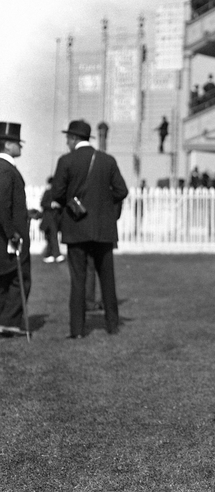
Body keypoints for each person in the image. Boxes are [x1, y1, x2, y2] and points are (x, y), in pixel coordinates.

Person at [51, 120, 128, 338]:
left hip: (76, 227)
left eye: (68, 138)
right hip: (103, 228)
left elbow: (57, 193)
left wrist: (74, 201)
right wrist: (103, 202)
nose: (67, 142)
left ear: (74, 139)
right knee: (107, 277)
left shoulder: (66, 161)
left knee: (78, 280)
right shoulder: (107, 160)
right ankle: (112, 326)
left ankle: (77, 330)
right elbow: (121, 190)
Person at [0, 122, 31, 336]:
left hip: (8, 233)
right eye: (18, 143)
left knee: (6, 277)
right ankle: (8, 321)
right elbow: (2, 205)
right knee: (20, 278)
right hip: (9, 236)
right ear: (8, 144)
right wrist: (12, 233)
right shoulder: (5, 169)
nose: (21, 147)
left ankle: (6, 320)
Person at [40, 177, 65, 264]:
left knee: (50, 236)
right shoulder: (48, 193)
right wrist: (51, 204)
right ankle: (57, 254)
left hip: (55, 218)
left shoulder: (57, 193)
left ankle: (49, 254)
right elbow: (43, 203)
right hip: (49, 218)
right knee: (53, 235)